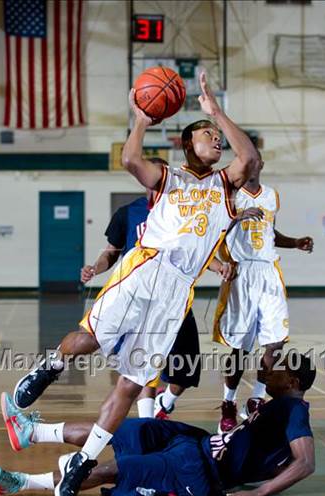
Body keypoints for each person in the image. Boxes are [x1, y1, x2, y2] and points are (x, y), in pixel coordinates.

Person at [9, 71, 260, 496]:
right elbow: (129, 160)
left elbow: (250, 158)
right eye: (207, 135)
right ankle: (48, 367)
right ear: (187, 145)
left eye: (218, 136)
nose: (216, 141)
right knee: (87, 339)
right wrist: (141, 119)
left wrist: (216, 112)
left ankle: (82, 464)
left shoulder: (224, 187)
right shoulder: (168, 177)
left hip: (175, 293)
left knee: (130, 383)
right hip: (144, 269)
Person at [0, 353, 316, 496]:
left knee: (120, 468)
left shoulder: (294, 410)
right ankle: (32, 432)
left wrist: (258, 493)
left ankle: (22, 483)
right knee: (130, 430)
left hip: (201, 470)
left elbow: (306, 462)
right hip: (197, 443)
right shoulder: (278, 405)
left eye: (277, 369)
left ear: (293, 381)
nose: (267, 370)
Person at [81, 157, 235, 419]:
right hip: (138, 294)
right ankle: (147, 420)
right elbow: (111, 252)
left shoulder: (184, 210)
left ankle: (167, 401)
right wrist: (95, 268)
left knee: (187, 370)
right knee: (143, 364)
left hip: (174, 296)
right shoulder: (128, 213)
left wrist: (218, 266)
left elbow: (194, 251)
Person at [213, 151, 314, 432]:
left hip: (269, 271)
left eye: (255, 160)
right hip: (241, 271)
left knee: (275, 341)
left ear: (260, 164)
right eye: (246, 160)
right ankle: (228, 402)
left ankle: (256, 399)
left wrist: (294, 242)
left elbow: (270, 232)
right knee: (240, 347)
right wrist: (238, 215)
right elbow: (214, 229)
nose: (251, 164)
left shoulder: (271, 195)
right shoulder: (228, 195)